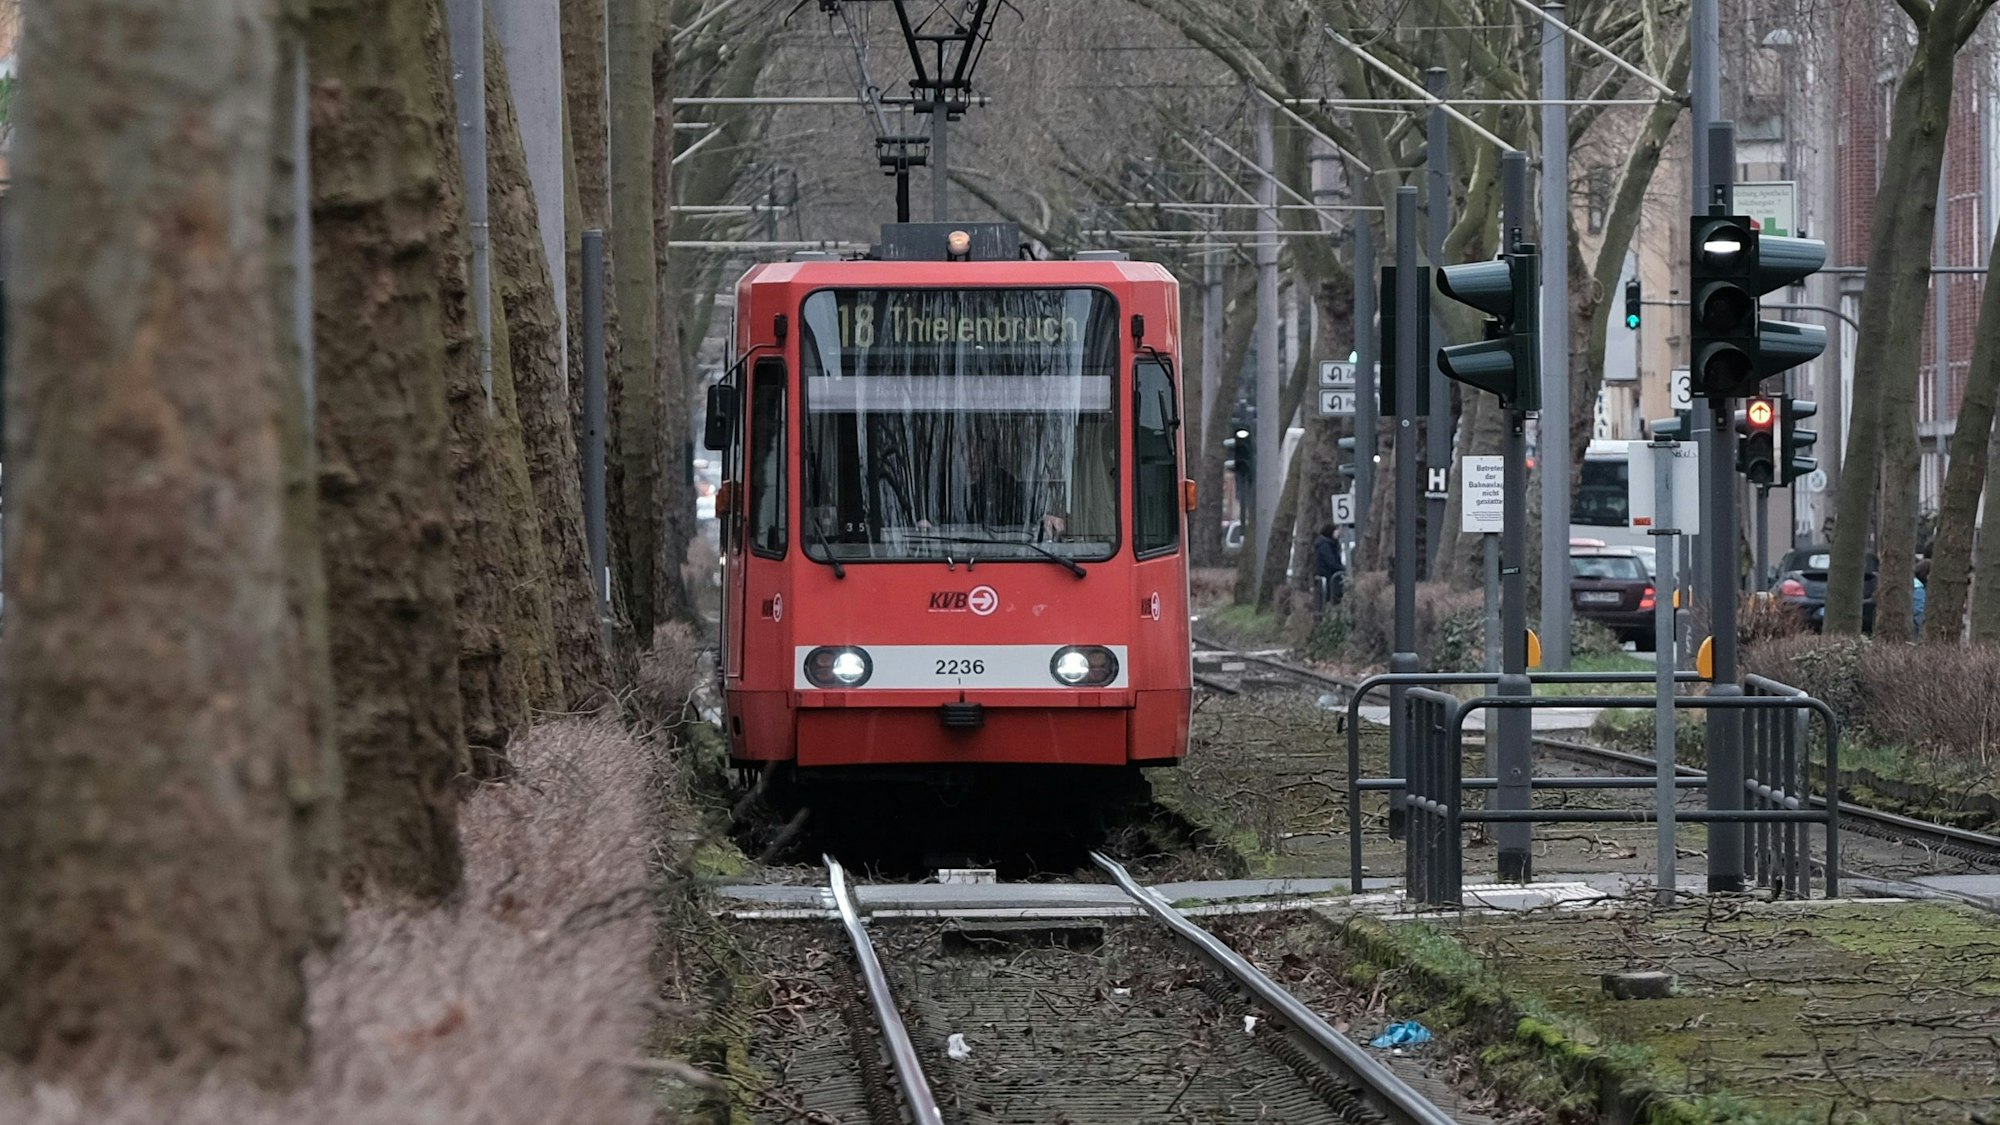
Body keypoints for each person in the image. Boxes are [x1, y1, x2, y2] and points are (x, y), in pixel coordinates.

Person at [1313, 523, 1346, 610]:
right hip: (1328, 576)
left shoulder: (1329, 544)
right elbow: (1331, 562)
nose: (1338, 533)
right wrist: (1342, 569)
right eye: (1336, 530)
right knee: (1331, 597)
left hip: (1330, 576)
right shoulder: (1325, 546)